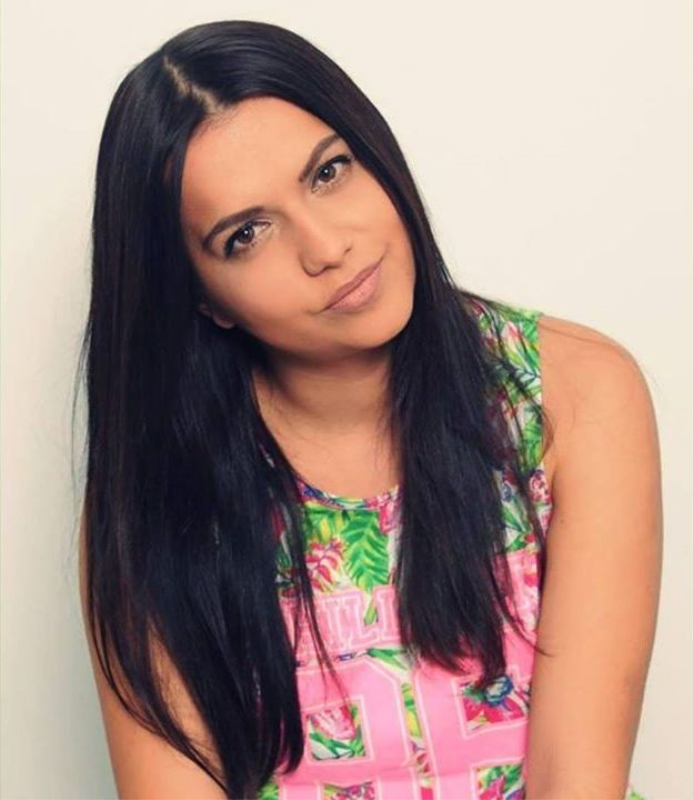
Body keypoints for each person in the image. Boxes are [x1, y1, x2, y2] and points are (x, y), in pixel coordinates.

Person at [75, 19, 661, 800]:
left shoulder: (570, 393)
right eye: (246, 234)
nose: (326, 246)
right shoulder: (154, 497)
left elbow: (576, 779)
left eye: (328, 172)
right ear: (201, 297)